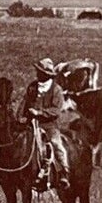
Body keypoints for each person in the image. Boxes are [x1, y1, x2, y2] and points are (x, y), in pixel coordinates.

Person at [22, 58, 77, 189]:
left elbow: (56, 111)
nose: (37, 74)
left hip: (49, 126)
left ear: (46, 75)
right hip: (31, 125)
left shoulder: (56, 90)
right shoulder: (32, 87)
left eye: (40, 72)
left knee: (56, 144)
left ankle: (64, 172)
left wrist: (39, 113)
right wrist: (21, 117)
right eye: (37, 71)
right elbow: (24, 103)